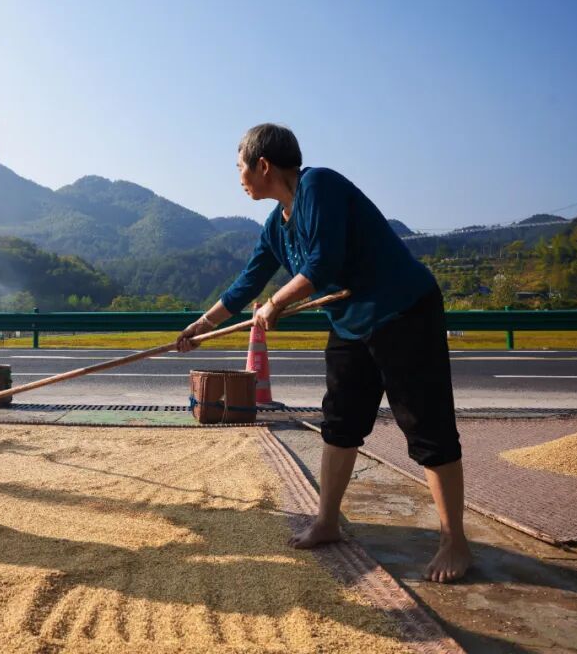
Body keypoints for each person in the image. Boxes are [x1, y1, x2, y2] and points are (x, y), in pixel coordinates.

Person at [176, 123, 471, 583]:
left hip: (403, 311)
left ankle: (454, 539)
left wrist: (276, 304)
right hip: (351, 323)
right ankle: (328, 521)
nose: (237, 177)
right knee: (340, 422)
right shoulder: (277, 223)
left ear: (263, 165)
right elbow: (249, 281)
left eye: (239, 167)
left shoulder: (321, 186)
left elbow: (323, 264)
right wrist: (201, 325)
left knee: (426, 424)